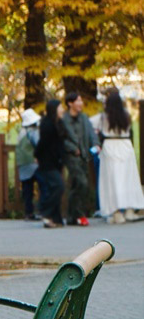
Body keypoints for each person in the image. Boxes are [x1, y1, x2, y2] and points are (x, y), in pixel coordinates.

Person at [97, 90, 144, 223]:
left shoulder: (104, 117)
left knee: (112, 180)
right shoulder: (127, 116)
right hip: (125, 145)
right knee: (128, 179)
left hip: (110, 145)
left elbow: (98, 128)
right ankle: (130, 209)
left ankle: (116, 211)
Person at [60, 92, 95, 226]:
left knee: (76, 185)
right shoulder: (64, 120)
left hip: (84, 155)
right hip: (71, 156)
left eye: (81, 101)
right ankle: (80, 214)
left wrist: (96, 144)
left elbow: (91, 133)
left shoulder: (84, 118)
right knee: (82, 182)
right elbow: (62, 138)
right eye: (78, 101)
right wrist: (72, 148)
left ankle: (71, 216)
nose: (81, 104)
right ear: (70, 103)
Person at [34, 99, 67, 228]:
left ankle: (56, 218)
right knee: (59, 186)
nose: (62, 109)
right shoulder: (47, 124)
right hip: (47, 161)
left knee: (55, 187)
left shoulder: (59, 123)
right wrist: (37, 155)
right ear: (54, 109)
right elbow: (43, 143)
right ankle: (46, 212)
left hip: (57, 161)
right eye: (60, 107)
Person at [14, 108, 42, 221]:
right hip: (33, 163)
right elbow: (39, 145)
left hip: (23, 163)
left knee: (27, 189)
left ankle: (28, 212)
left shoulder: (21, 132)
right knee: (43, 185)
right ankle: (42, 210)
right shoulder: (33, 132)